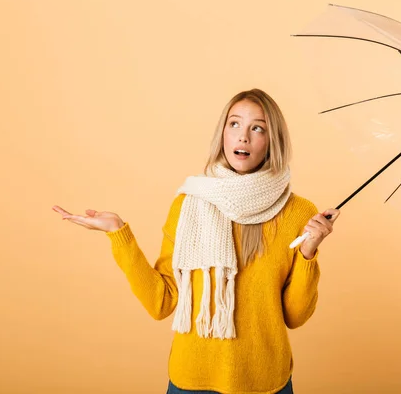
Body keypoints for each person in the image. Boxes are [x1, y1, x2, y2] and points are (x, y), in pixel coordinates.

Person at [52, 88, 339, 394]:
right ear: (223, 134)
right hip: (191, 381)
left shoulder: (299, 213)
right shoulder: (189, 204)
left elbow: (295, 316)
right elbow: (161, 302)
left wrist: (308, 251)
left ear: (272, 141)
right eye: (234, 124)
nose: (243, 137)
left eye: (258, 128)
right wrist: (118, 233)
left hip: (265, 381)